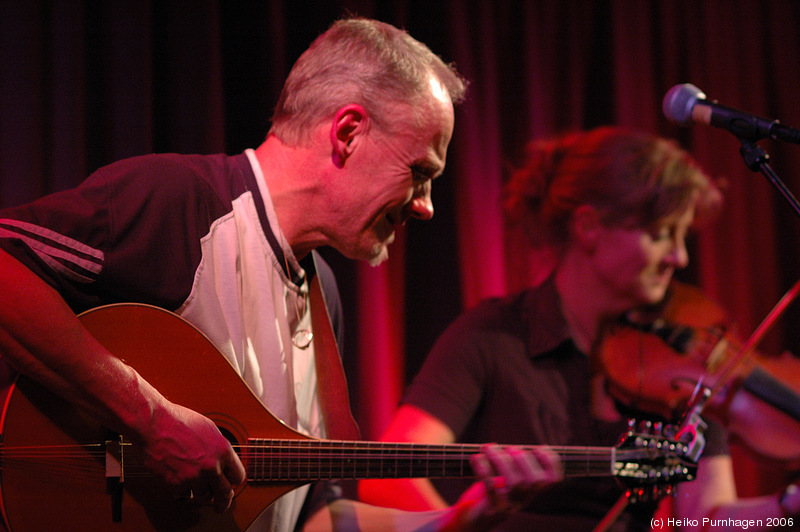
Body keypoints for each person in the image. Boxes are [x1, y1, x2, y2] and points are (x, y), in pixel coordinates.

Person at [0, 17, 563, 532]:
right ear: (347, 132)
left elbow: (312, 517)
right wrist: (150, 420)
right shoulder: (179, 204)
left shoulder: (325, 296)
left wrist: (464, 519)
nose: (426, 206)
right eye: (420, 172)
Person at [358, 126, 800, 531]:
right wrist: (459, 522)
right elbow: (388, 480)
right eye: (664, 233)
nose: (679, 258)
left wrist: (788, 504)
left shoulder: (678, 368)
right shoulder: (492, 337)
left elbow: (706, 521)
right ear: (589, 227)